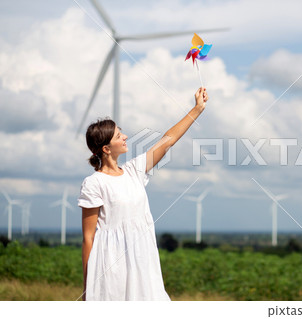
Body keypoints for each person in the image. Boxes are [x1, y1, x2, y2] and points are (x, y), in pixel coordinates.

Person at [78, 87, 208, 301]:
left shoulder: (134, 171)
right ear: (107, 149)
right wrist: (87, 287)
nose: (126, 136)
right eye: (119, 135)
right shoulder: (94, 183)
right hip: (111, 270)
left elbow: (168, 141)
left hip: (142, 261)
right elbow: (88, 237)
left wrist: (197, 109)